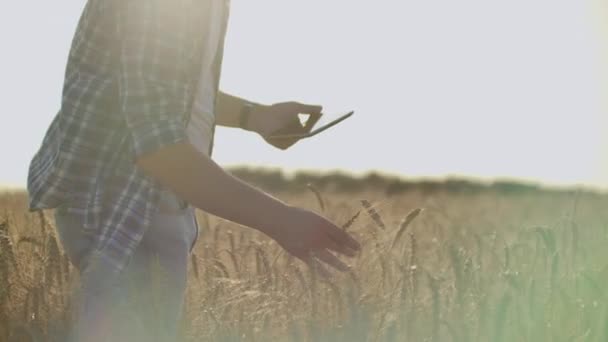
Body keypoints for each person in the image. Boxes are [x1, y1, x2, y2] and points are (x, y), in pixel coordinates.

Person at [27, 0, 361, 341]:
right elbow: (158, 148)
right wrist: (281, 220)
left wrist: (254, 116)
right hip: (125, 206)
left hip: (151, 202)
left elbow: (166, 88)